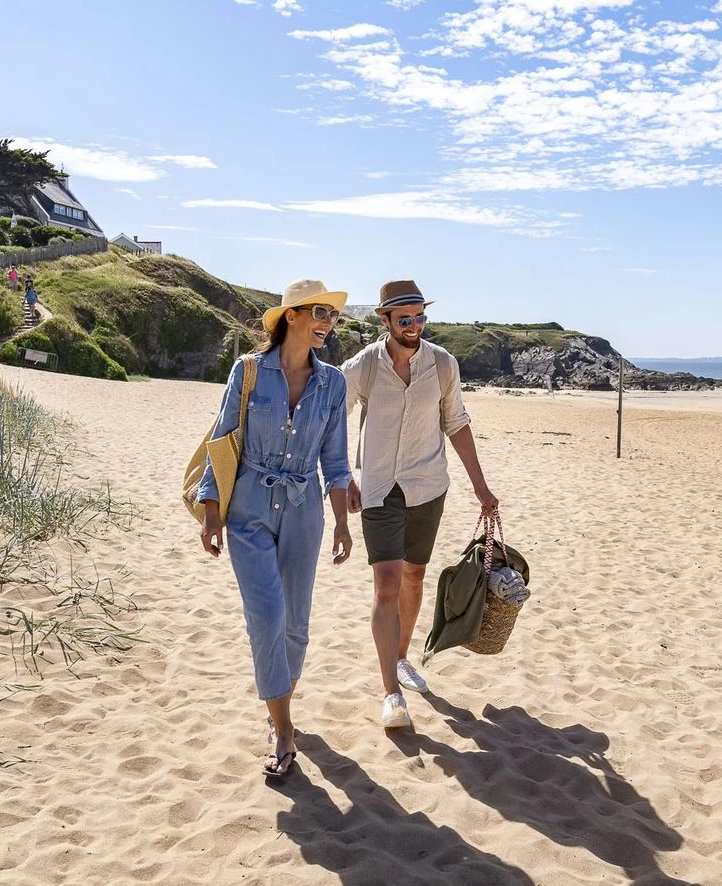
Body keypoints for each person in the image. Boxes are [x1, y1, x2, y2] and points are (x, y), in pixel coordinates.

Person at [197, 279, 354, 779]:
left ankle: (279, 699)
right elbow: (221, 438)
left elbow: (335, 458)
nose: (329, 323)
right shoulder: (247, 371)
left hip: (306, 507)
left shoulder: (333, 383)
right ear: (291, 315)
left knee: (295, 625)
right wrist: (211, 509)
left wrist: (343, 523)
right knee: (265, 618)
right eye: (321, 313)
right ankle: (283, 726)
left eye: (333, 316)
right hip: (248, 509)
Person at [342, 279, 499, 729]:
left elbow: (458, 425)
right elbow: (336, 413)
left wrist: (481, 488)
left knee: (414, 576)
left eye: (420, 317)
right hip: (377, 488)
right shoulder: (364, 366)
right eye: (404, 319)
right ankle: (390, 691)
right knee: (387, 584)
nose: (414, 326)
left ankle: (403, 656)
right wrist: (345, 474)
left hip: (429, 486)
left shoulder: (444, 364)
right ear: (386, 321)